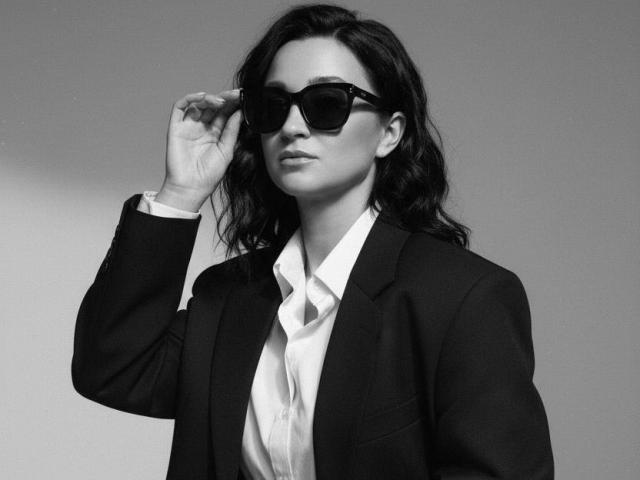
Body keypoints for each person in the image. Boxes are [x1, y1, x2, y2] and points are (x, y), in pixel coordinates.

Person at [72, 4, 553, 479]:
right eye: (273, 105)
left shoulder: (462, 299)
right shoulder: (228, 296)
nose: (292, 127)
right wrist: (181, 192)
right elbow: (112, 370)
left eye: (326, 103)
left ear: (389, 132)